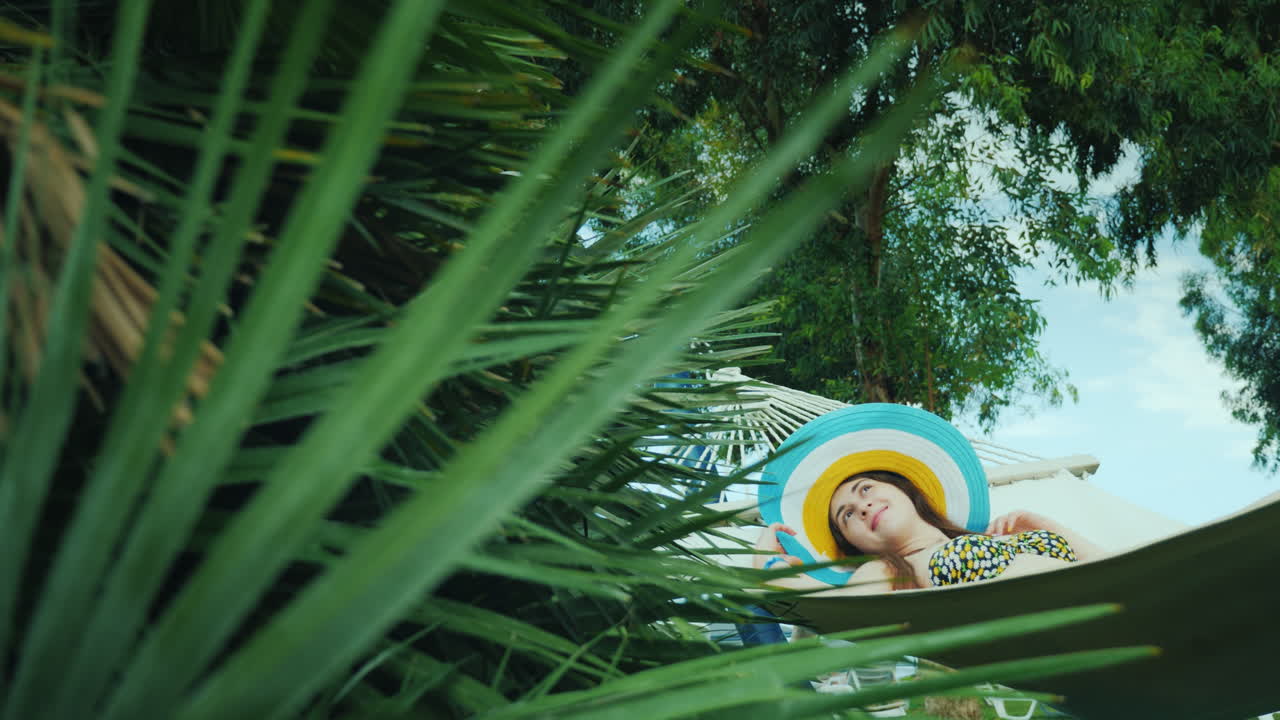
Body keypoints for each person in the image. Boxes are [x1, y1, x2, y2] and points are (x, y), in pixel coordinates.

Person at [753, 469, 1106, 594]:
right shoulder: (889, 570)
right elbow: (828, 600)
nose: (861, 506)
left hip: (1119, 593)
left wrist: (1042, 524)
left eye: (865, 489)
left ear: (902, 490)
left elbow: (1108, 564)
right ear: (854, 544)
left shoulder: (988, 539)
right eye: (847, 516)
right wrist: (767, 561)